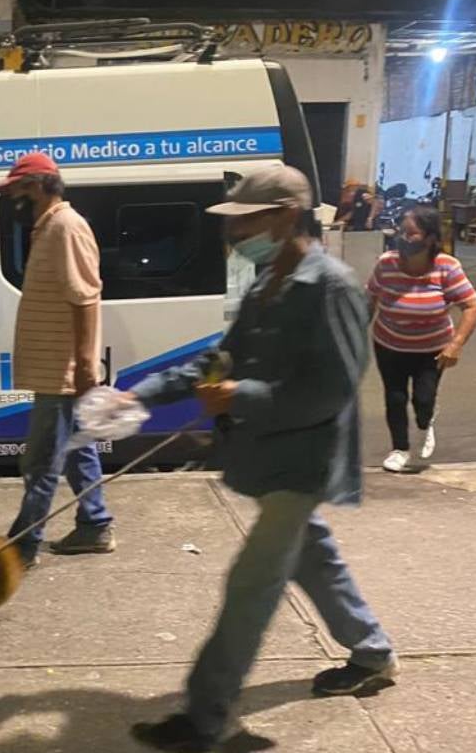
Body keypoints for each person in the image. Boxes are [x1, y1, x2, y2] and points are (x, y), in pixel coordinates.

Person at [127, 167, 397, 752]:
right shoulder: (264, 281)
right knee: (313, 558)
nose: (235, 233)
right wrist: (136, 397)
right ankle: (372, 651)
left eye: (245, 220)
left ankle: (205, 716)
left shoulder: (332, 286)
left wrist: (241, 396)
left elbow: (334, 388)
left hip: (305, 460)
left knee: (250, 584)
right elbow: (218, 363)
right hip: (271, 455)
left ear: (283, 216)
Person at [0, 152, 116, 573]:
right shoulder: (49, 227)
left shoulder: (65, 227)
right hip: (57, 367)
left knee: (40, 460)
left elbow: (86, 296)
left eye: (16, 191)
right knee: (78, 447)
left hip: (62, 369)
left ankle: (21, 548)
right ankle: (95, 524)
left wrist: (82, 362)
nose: (12, 200)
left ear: (39, 186)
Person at [368, 207, 476, 473]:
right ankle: (399, 449)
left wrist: (456, 345)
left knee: (423, 399)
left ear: (430, 238)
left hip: (432, 348)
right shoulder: (386, 263)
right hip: (389, 343)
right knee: (395, 397)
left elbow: (472, 307)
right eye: (402, 232)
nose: (403, 238)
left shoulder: (446, 267)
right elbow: (370, 297)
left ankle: (426, 420)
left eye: (411, 233)